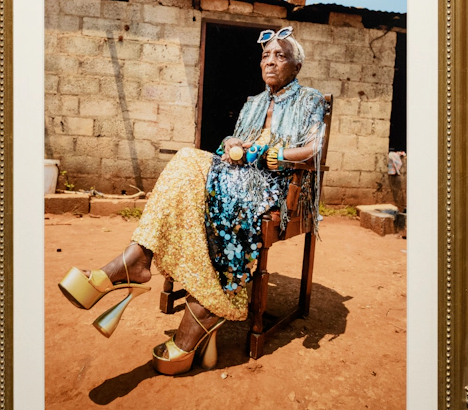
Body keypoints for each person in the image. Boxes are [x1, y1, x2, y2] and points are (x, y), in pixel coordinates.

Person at [58, 27, 326, 375]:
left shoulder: (310, 99)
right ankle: (138, 259)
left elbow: (314, 149)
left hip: (275, 184)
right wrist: (233, 142)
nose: (270, 61)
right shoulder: (254, 103)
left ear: (296, 65)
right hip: (233, 172)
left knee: (225, 186)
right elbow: (235, 139)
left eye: (279, 55)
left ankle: (173, 287)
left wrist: (272, 155)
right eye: (265, 55)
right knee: (186, 160)